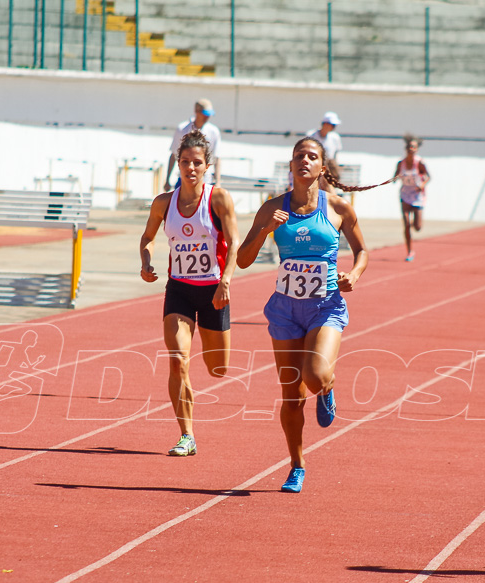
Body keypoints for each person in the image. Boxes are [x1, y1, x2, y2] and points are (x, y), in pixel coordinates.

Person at [237, 136, 388, 493]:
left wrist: (354, 274)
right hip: (285, 309)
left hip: (325, 305)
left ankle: (327, 389)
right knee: (291, 397)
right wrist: (264, 230)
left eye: (312, 156)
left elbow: (363, 250)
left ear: (322, 167)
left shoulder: (337, 208)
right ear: (291, 166)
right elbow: (242, 260)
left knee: (315, 374)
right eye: (298, 156)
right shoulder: (272, 208)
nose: (304, 160)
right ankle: (296, 465)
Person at [141, 130, 239, 457]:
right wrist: (146, 261)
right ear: (178, 164)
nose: (191, 168)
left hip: (213, 291)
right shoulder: (163, 203)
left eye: (197, 162)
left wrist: (226, 280)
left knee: (217, 368)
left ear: (207, 166)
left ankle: (213, 362)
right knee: (178, 361)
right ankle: (187, 435)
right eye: (185, 162)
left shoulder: (219, 199)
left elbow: (234, 241)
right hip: (179, 289)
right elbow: (147, 238)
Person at [164, 98, 221, 192]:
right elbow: (174, 154)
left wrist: (218, 181)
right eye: (205, 114)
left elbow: (216, 157)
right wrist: (167, 179)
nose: (207, 117)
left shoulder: (213, 132)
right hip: (184, 179)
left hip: (205, 180)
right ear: (196, 112)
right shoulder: (182, 129)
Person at [394, 134, 430, 261]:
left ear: (417, 149)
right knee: (406, 224)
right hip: (405, 194)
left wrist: (422, 184)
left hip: (417, 195)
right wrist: (394, 179)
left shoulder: (419, 163)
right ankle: (409, 251)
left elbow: (428, 176)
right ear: (406, 148)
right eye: (409, 147)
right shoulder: (401, 163)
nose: (411, 149)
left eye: (413, 147)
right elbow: (395, 175)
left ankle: (416, 223)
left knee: (418, 227)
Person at [306, 112, 343, 193]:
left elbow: (335, 155)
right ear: (325, 124)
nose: (334, 127)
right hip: (314, 164)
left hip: (329, 166)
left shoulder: (335, 137)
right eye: (332, 125)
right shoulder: (311, 135)